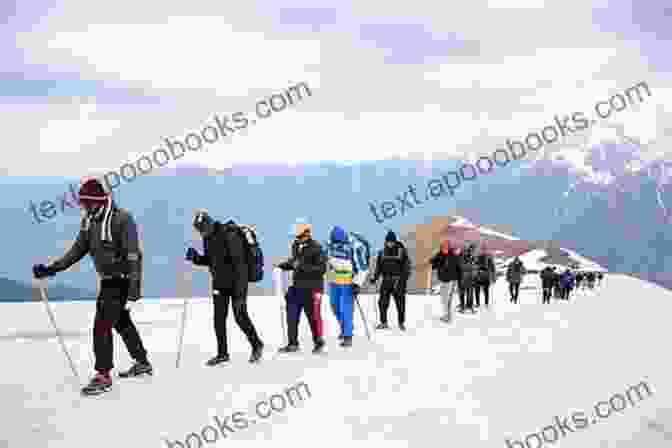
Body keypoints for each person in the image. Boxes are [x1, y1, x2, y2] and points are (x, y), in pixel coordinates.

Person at [32, 178, 151, 395]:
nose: (84, 207)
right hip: (107, 281)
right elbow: (77, 251)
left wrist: (135, 286)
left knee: (102, 325)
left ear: (97, 201)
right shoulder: (89, 222)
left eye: (86, 203)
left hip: (122, 280)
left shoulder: (122, 219)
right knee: (121, 322)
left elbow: (134, 255)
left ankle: (103, 374)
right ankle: (142, 361)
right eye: (82, 204)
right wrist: (52, 269)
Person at [186, 210, 264, 366]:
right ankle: (222, 354)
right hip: (219, 283)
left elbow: (239, 263)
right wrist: (196, 258)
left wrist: (236, 285)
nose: (201, 233)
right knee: (219, 319)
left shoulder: (229, 234)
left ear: (208, 224)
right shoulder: (207, 238)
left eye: (202, 229)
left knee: (240, 316)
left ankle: (257, 345)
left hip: (237, 283)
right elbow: (211, 260)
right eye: (198, 230)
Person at [276, 224, 327, 354]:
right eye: (296, 237)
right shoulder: (296, 246)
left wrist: (301, 266)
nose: (297, 239)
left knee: (313, 317)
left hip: (313, 288)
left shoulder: (317, 248)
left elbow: (321, 270)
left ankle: (318, 343)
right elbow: (294, 262)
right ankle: (293, 344)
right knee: (291, 315)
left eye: (299, 236)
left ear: (307, 234)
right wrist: (282, 266)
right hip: (297, 287)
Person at [370, 230, 411, 331]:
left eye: (392, 241)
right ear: (386, 242)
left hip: (398, 281)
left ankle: (401, 323)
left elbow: (407, 267)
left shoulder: (401, 251)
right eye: (388, 241)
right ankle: (383, 322)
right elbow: (378, 267)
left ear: (395, 241)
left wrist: (403, 279)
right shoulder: (382, 252)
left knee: (400, 303)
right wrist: (374, 278)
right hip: (386, 280)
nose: (390, 243)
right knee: (382, 302)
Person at [325, 226, 356, 347]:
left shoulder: (351, 247)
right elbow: (325, 259)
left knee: (345, 309)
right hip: (334, 281)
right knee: (334, 306)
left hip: (347, 283)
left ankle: (347, 335)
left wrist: (357, 283)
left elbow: (360, 266)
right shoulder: (329, 246)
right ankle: (346, 327)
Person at [429, 240, 461, 322]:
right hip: (443, 280)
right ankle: (446, 315)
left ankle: (447, 316)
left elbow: (458, 267)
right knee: (444, 299)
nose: (445, 248)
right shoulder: (439, 255)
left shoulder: (453, 256)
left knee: (447, 299)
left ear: (448, 247)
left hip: (451, 280)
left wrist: (458, 279)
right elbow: (434, 266)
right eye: (443, 247)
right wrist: (432, 262)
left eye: (446, 247)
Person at [474, 244, 496, 309]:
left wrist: (493, 277)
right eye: (482, 249)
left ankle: (486, 303)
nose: (483, 250)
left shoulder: (489, 258)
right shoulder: (477, 257)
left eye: (484, 249)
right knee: (477, 291)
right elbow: (474, 266)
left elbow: (493, 268)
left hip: (486, 277)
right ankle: (478, 303)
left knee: (486, 291)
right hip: (478, 277)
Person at [459, 243, 478, 313]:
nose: (473, 251)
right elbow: (462, 265)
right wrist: (470, 266)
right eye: (472, 249)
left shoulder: (473, 257)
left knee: (470, 292)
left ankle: (469, 306)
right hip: (464, 276)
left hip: (470, 277)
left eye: (474, 250)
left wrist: (474, 271)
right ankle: (462, 306)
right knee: (463, 292)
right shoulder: (464, 256)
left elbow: (475, 266)